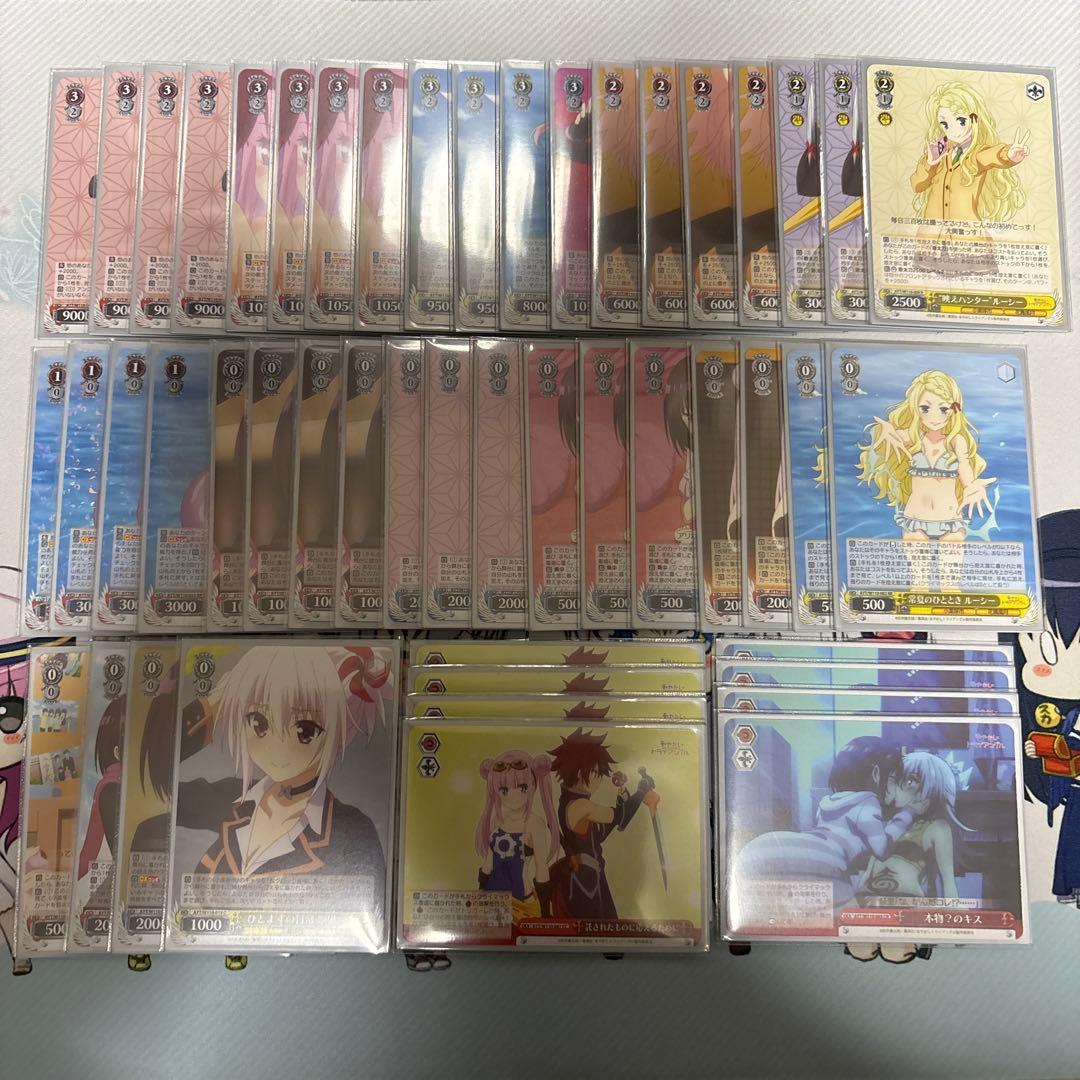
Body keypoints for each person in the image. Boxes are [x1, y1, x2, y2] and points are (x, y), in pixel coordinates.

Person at [188, 645, 390, 885]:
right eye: (259, 723)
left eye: (304, 730)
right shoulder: (228, 798)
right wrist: (208, 706)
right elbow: (156, 792)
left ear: (337, 730)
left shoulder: (352, 830)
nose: (278, 746)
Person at [735, 735, 922, 909]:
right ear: (876, 773)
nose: (896, 787)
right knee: (845, 914)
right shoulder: (868, 801)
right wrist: (906, 815)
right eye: (894, 779)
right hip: (826, 860)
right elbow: (882, 849)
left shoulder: (828, 801)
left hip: (767, 845)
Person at [857, 369, 995, 590]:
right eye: (925, 408)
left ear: (954, 409)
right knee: (919, 585)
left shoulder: (956, 441)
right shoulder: (912, 438)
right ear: (915, 408)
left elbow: (965, 467)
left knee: (951, 587)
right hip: (915, 520)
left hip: (951, 521)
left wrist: (972, 486)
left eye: (943, 409)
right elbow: (881, 432)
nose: (934, 417)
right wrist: (885, 430)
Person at [547, 727, 660, 918]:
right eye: (596, 772)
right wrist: (641, 790)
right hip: (585, 882)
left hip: (590, 877)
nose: (599, 779)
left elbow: (601, 833)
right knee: (596, 926)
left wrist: (623, 800)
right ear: (578, 770)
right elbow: (620, 817)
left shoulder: (570, 802)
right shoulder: (581, 805)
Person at [474, 751, 559, 919]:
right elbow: (489, 862)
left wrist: (545, 913)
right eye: (504, 790)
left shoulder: (535, 824)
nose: (514, 796)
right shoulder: (498, 820)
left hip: (522, 901)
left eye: (522, 788)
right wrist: (481, 891)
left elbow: (541, 868)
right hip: (492, 899)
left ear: (533, 786)